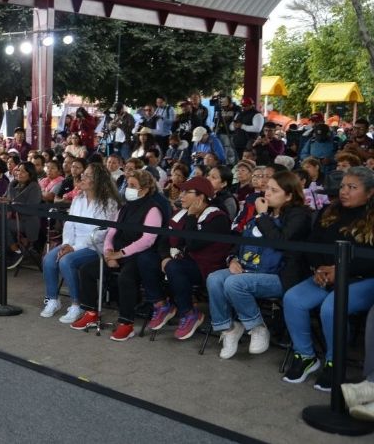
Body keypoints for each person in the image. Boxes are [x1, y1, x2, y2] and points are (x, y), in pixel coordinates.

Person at [282, 166, 374, 391]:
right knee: (293, 299)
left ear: (370, 192)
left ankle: (335, 361)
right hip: (325, 274)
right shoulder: (329, 211)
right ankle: (305, 356)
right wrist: (318, 268)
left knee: (332, 307)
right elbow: (313, 243)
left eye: (352, 187)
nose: (344, 191)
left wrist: (342, 270)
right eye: (343, 186)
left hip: (364, 279)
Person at [207, 171, 312, 359]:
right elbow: (241, 241)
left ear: (289, 195)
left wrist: (263, 216)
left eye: (274, 190)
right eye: (267, 189)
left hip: (282, 275)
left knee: (234, 284)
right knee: (215, 279)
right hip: (251, 267)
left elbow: (280, 241)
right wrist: (233, 259)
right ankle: (229, 328)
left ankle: (257, 327)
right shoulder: (264, 212)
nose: (267, 194)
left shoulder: (300, 215)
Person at [40, 163, 121, 325]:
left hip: (95, 246)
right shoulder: (78, 199)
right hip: (74, 243)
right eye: (83, 174)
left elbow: (101, 233)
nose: (82, 177)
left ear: (97, 180)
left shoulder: (109, 202)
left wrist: (74, 248)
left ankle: (78, 305)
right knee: (49, 259)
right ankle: (53, 299)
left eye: (87, 175)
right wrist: (67, 244)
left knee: (66, 261)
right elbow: (70, 225)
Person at [154, 176, 231, 340]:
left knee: (175, 267)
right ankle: (162, 304)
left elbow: (193, 244)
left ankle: (188, 313)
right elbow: (164, 240)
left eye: (186, 192)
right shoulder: (179, 215)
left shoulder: (218, 218)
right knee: (146, 260)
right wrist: (165, 257)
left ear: (201, 197)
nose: (180, 196)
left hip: (207, 267)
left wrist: (190, 217)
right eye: (181, 192)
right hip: (184, 261)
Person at [104, 169, 164, 341]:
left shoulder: (153, 209)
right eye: (127, 185)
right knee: (88, 269)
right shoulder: (124, 208)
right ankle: (90, 310)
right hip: (116, 253)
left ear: (144, 190)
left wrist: (120, 254)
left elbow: (148, 240)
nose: (127, 189)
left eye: (132, 186)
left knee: (126, 278)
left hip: (139, 256)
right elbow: (111, 232)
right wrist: (108, 253)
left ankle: (126, 323)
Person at [0, 161, 43, 269]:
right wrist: (0, 200)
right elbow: (5, 197)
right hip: (10, 217)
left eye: (23, 171)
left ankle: (16, 251)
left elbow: (31, 208)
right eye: (19, 170)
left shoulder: (34, 187)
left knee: (0, 224)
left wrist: (11, 202)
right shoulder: (12, 184)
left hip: (27, 221)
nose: (19, 173)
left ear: (30, 174)